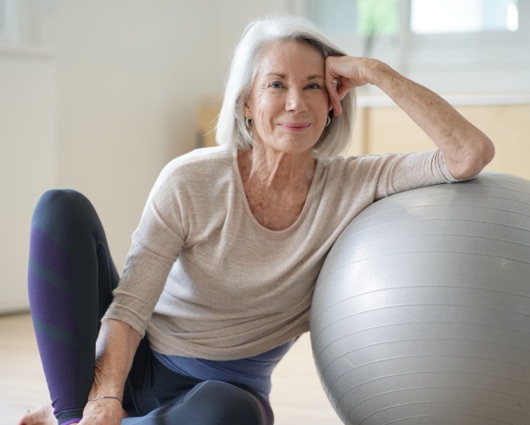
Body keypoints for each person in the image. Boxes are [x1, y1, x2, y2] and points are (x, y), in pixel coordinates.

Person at [20, 14, 494, 425]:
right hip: (136, 360)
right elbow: (130, 307)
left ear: (333, 103)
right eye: (276, 84)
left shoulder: (355, 184)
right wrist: (105, 395)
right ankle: (75, 416)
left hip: (220, 395)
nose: (295, 103)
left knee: (232, 415)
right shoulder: (192, 180)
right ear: (246, 102)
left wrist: (376, 72)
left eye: (313, 85)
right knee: (61, 208)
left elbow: (468, 153)